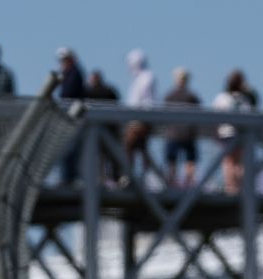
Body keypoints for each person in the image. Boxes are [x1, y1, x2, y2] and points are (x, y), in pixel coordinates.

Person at [213, 69, 253, 194]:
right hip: (240, 134)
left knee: (228, 162)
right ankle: (240, 188)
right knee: (239, 163)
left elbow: (215, 115)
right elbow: (248, 115)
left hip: (226, 133)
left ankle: (231, 189)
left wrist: (216, 133)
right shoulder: (243, 99)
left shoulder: (222, 98)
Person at [123, 49, 157, 185]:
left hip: (141, 119)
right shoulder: (138, 78)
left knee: (130, 145)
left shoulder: (146, 77)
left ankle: (135, 175)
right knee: (140, 147)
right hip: (136, 118)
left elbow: (146, 100)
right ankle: (137, 176)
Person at [163, 67, 201, 187]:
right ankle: (188, 185)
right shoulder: (192, 97)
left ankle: (171, 185)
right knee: (190, 162)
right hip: (188, 134)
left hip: (173, 134)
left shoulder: (170, 96)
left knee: (172, 162)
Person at [84, 70, 121, 184]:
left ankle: (100, 178)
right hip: (110, 128)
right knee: (111, 156)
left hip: (97, 129)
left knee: (98, 156)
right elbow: (117, 105)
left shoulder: (89, 92)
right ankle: (114, 178)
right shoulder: (110, 90)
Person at [55, 47, 86, 184]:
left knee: (71, 149)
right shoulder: (68, 74)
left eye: (65, 60)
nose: (63, 63)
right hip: (68, 117)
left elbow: (69, 94)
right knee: (67, 149)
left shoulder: (74, 73)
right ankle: (67, 177)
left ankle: (68, 178)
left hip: (73, 117)